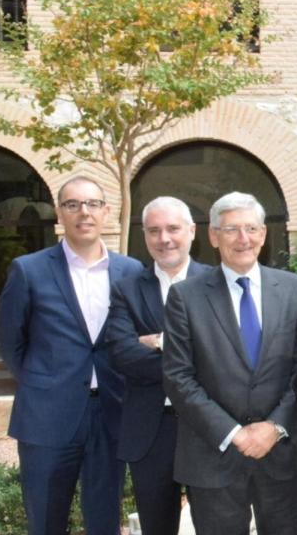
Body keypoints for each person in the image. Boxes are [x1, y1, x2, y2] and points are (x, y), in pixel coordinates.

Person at [162, 191, 297, 535]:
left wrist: (274, 427)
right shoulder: (185, 297)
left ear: (263, 233)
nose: (243, 239)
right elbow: (178, 377)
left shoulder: (295, 290)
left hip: (279, 455)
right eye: (231, 229)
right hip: (211, 456)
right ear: (214, 236)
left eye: (251, 228)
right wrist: (234, 433)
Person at [0, 175, 143, 535]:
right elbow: (9, 341)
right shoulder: (29, 270)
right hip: (48, 416)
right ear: (60, 213)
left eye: (93, 204)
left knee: (104, 520)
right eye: (73, 204)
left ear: (107, 212)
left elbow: (134, 339)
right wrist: (44, 382)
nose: (84, 213)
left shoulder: (131, 271)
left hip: (110, 413)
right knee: (45, 519)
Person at [104, 197, 211, 535]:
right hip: (151, 432)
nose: (164, 238)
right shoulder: (126, 289)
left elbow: (227, 355)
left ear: (192, 231)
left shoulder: (218, 284)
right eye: (154, 231)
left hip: (209, 426)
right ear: (145, 236)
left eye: (173, 229)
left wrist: (159, 342)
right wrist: (191, 353)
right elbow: (123, 355)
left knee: (218, 526)